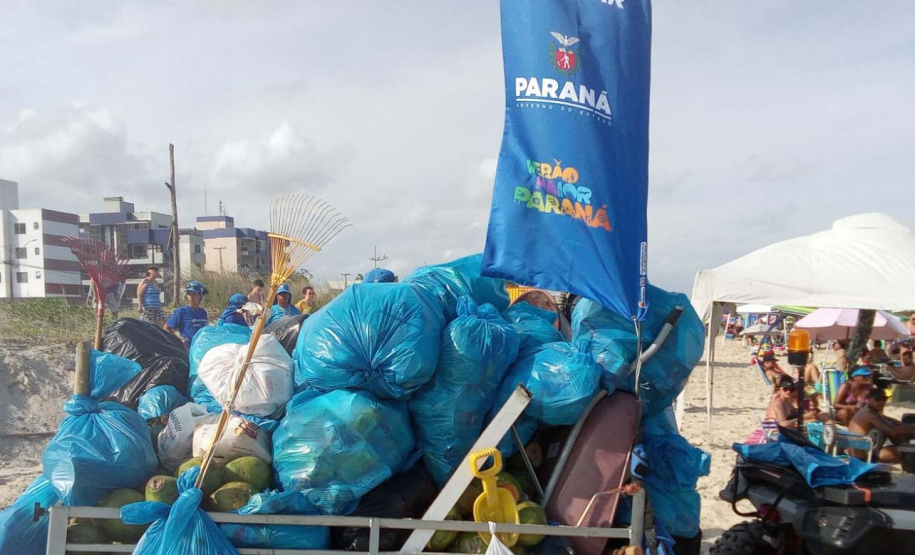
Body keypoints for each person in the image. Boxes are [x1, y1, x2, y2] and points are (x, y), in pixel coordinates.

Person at [848, 388, 915, 463]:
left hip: (861, 450)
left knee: (894, 428)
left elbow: (886, 419)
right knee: (906, 449)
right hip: (863, 456)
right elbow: (892, 431)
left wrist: (901, 424)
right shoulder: (870, 414)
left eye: (884, 399)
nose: (882, 402)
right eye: (878, 399)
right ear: (868, 399)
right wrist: (911, 427)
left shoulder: (870, 411)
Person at [165, 281, 209, 347]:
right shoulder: (181, 311)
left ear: (200, 296)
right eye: (189, 294)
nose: (191, 297)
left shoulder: (203, 312)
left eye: (194, 294)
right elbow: (166, 328)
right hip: (187, 348)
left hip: (201, 347)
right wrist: (179, 340)